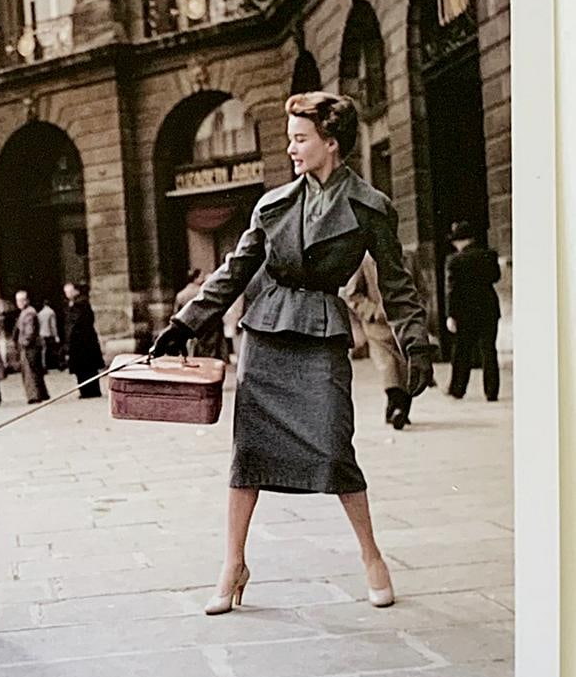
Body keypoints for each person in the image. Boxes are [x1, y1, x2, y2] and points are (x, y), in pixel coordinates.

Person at [151, 91, 434, 616]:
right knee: (249, 455)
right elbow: (234, 271)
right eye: (290, 138)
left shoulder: (372, 208)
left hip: (321, 335)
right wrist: (184, 324)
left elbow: (396, 285)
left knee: (333, 446)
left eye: (300, 139)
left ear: (331, 143)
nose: (291, 148)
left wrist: (414, 341)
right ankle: (233, 563)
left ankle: (372, 557)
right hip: (267, 335)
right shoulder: (272, 204)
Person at [343, 253, 413, 429]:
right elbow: (352, 295)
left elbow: (419, 287)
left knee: (406, 364)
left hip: (404, 320)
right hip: (378, 324)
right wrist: (372, 311)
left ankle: (400, 408)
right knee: (388, 363)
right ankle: (396, 406)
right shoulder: (365, 261)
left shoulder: (406, 258)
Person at [445, 220, 502, 401]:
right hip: (489, 308)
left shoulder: (455, 260)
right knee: (489, 350)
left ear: (461, 241)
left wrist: (451, 315)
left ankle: (458, 389)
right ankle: (491, 391)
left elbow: (452, 292)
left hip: (465, 311)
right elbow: (496, 277)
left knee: (462, 351)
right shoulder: (489, 255)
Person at [63, 281, 105, 398]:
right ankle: (86, 391)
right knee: (82, 369)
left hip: (83, 343)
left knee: (86, 368)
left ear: (75, 291)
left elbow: (76, 323)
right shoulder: (74, 304)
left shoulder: (80, 304)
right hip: (80, 343)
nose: (67, 294)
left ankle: (90, 391)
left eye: (69, 291)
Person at [12, 290, 50, 404]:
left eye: (21, 300)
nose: (18, 303)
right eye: (17, 300)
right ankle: (41, 393)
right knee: (34, 370)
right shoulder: (27, 312)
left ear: (26, 300)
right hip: (30, 346)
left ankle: (34, 395)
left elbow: (29, 331)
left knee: (29, 371)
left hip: (29, 347)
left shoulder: (28, 313)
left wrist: (24, 342)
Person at [37, 298, 62, 371]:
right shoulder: (51, 312)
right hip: (49, 333)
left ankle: (44, 365)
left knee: (43, 351)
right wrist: (56, 335)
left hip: (41, 333)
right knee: (53, 349)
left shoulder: (40, 313)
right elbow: (53, 325)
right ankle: (55, 364)